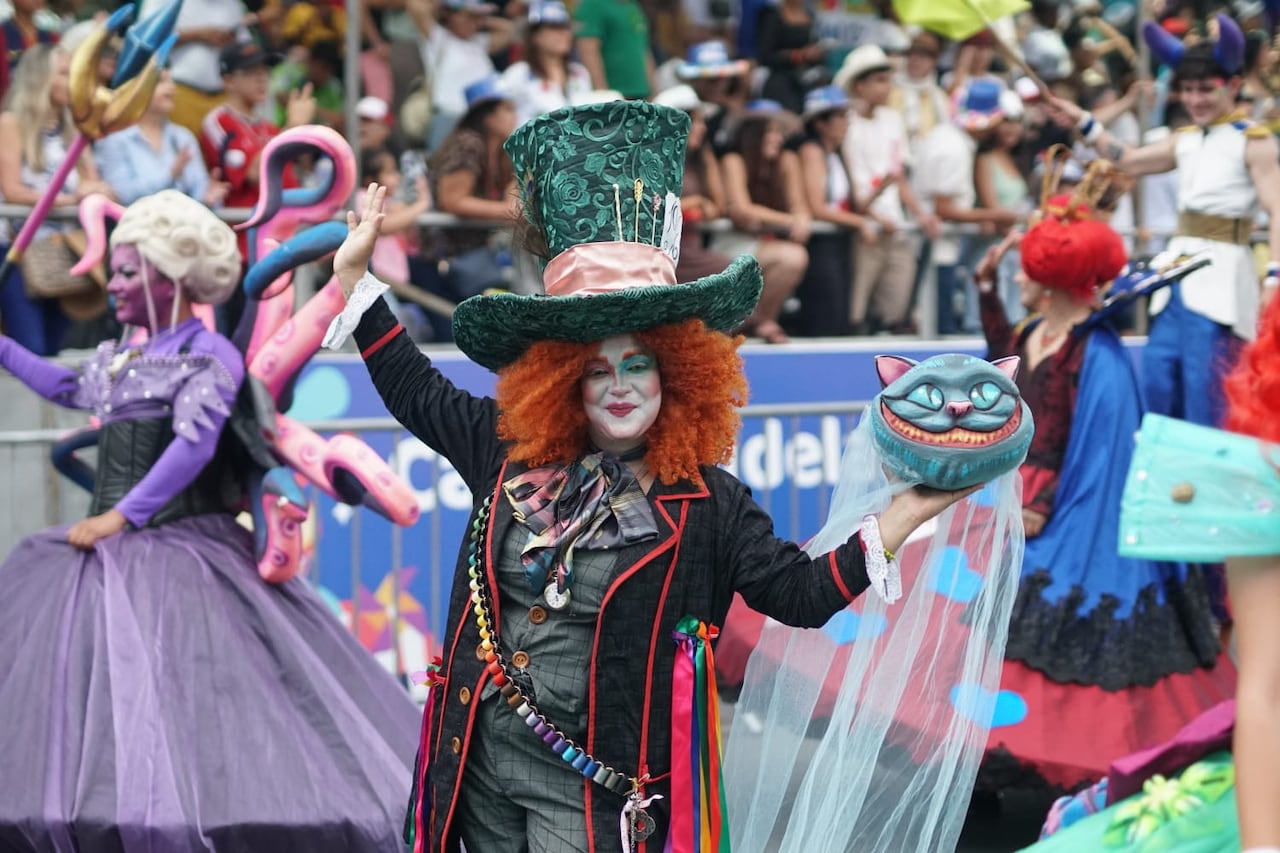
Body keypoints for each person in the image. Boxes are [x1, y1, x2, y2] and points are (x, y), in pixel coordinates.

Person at [324, 98, 973, 852]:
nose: (620, 386)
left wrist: (905, 513)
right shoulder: (505, 450)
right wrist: (354, 281)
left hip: (595, 787)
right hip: (477, 762)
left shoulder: (711, 503)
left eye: (639, 365)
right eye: (596, 371)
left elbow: (796, 594)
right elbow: (415, 389)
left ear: (678, 376)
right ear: (563, 380)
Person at [0, 189, 419, 850]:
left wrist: (120, 518)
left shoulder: (209, 358)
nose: (115, 283)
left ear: (170, 274)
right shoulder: (122, 356)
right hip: (100, 559)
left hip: (180, 554)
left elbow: (193, 447)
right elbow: (59, 385)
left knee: (195, 720)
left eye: (129, 269)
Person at [971, 184, 1235, 799]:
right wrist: (986, 290)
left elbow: (1093, 446)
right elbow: (1000, 365)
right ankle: (983, 763)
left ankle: (1038, 758)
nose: (1019, 279)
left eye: (1026, 270)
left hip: (1072, 518)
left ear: (1054, 279)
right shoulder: (1036, 330)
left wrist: (1040, 503)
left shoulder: (1098, 354)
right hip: (1023, 502)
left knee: (1040, 622)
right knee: (991, 623)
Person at [1050, 14, 1280, 429]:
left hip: (1223, 281)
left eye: (1206, 89)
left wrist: (1274, 277)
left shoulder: (1254, 140)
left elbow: (1279, 208)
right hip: (1175, 277)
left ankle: (1211, 489)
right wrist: (1083, 121)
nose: (1196, 100)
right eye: (1188, 90)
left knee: (1206, 394)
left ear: (1231, 85)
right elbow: (1130, 160)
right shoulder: (1185, 138)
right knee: (1159, 386)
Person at [0, 43, 113, 356]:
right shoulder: (10, 123)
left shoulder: (76, 129)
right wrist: (71, 200)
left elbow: (92, 182)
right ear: (40, 78)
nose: (74, 81)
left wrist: (99, 190)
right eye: (65, 73)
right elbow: (12, 191)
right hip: (17, 250)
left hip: (64, 253)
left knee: (53, 349)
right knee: (29, 348)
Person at [715, 99, 809, 344]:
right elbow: (742, 209)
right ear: (753, 134)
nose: (778, 138)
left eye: (780, 132)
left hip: (763, 243)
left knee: (794, 257)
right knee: (791, 257)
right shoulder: (734, 160)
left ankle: (763, 323)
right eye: (771, 132)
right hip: (731, 243)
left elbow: (799, 205)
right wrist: (790, 220)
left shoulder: (785, 161)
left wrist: (800, 216)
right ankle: (756, 324)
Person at [794, 84, 875, 338]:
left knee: (841, 316)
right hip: (821, 245)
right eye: (840, 116)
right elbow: (817, 207)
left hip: (841, 242)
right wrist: (860, 223)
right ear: (820, 123)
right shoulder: (812, 151)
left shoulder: (839, 154)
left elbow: (851, 203)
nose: (846, 123)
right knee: (825, 316)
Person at [95, 69, 228, 207]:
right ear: (137, 89)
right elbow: (121, 194)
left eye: (171, 81)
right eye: (161, 81)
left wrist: (208, 198)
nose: (171, 87)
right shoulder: (115, 138)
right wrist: (169, 176)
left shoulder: (184, 137)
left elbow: (199, 190)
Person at [498, 0, 592, 128]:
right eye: (554, 28)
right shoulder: (518, 74)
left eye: (566, 27)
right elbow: (501, 120)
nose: (563, 33)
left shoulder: (580, 73)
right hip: (532, 146)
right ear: (534, 35)